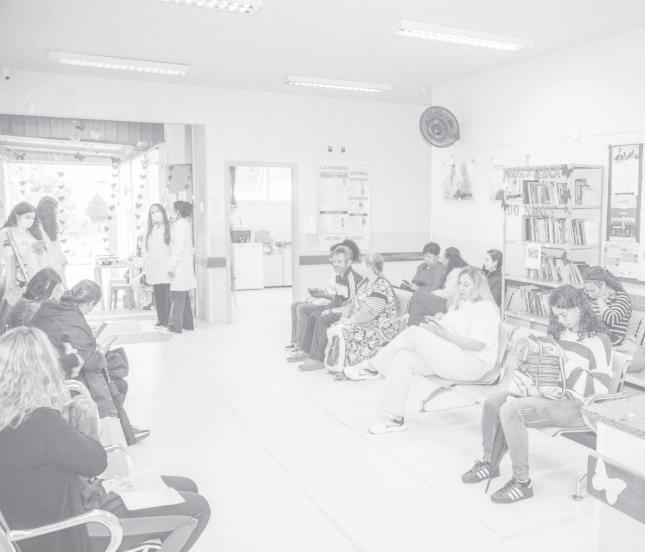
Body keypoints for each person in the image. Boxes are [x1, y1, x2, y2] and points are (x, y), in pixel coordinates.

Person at [0, 326, 211, 552]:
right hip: (78, 526)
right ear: (43, 370)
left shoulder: (12, 418)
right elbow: (96, 462)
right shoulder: (39, 420)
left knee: (185, 486)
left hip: (56, 514)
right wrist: (78, 418)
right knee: (198, 509)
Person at [461, 285, 612, 504]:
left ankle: (522, 482)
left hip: (577, 405)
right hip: (550, 393)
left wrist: (565, 362)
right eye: (556, 315)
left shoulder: (599, 340)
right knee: (493, 403)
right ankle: (489, 462)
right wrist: (531, 357)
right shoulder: (560, 333)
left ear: (579, 308)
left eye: (564, 314)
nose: (560, 320)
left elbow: (600, 389)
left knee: (511, 411)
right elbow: (550, 370)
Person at [346, 267, 500, 434]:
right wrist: (436, 323)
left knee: (413, 333)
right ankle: (394, 418)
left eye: (467, 285)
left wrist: (441, 334)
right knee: (404, 357)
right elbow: (451, 330)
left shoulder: (486, 308)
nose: (462, 288)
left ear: (478, 286)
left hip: (472, 364)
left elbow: (477, 345)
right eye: (460, 284)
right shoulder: (464, 304)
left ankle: (372, 367)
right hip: (454, 357)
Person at [31, 280, 149, 444]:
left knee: (115, 378)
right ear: (91, 303)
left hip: (44, 365)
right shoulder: (73, 321)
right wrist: (101, 351)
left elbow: (67, 339)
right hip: (59, 374)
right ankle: (113, 431)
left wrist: (88, 341)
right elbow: (90, 362)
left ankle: (122, 428)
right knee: (116, 379)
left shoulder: (56, 309)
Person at [288, 245, 362, 368]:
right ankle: (306, 351)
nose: (335, 264)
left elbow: (352, 304)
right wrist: (328, 309)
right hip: (340, 307)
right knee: (313, 315)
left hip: (350, 311)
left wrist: (331, 311)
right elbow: (338, 298)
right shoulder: (339, 276)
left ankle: (318, 359)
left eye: (339, 262)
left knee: (322, 319)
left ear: (348, 263)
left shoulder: (352, 278)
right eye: (334, 261)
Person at [328, 253, 399, 370]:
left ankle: (350, 367)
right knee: (337, 326)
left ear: (370, 267)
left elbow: (370, 312)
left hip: (378, 329)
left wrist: (350, 321)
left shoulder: (381, 286)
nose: (360, 267)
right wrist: (343, 317)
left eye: (362, 264)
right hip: (365, 323)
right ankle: (339, 365)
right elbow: (351, 302)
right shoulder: (364, 282)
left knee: (345, 330)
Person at [583, 266, 644, 372]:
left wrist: (599, 300)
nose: (589, 294)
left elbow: (610, 320)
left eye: (592, 290)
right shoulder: (590, 298)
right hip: (595, 343)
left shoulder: (621, 298)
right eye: (586, 290)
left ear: (603, 285)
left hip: (615, 347)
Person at [0, 202, 48, 309]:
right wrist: (30, 249)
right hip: (17, 279)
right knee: (17, 309)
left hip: (35, 278)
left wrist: (40, 252)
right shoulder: (6, 232)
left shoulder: (30, 233)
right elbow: (8, 255)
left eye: (33, 218)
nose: (31, 221)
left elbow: (40, 257)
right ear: (17, 216)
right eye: (27, 217)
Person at [407, 246, 468, 325]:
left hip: (448, 305)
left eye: (442, 258)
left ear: (448, 259)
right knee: (416, 307)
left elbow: (448, 293)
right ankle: (412, 329)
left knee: (418, 294)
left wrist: (434, 292)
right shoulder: (454, 270)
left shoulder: (456, 272)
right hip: (444, 301)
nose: (441, 261)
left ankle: (404, 317)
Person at [167, 201, 196, 334]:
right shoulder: (185, 224)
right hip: (185, 266)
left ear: (178, 211)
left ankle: (174, 326)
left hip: (180, 267)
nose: (171, 212)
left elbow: (177, 249)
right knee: (184, 295)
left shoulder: (179, 226)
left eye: (173, 209)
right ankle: (188, 324)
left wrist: (171, 267)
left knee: (177, 296)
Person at [144, 203, 172, 327]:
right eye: (152, 212)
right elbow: (146, 250)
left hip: (167, 267)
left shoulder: (170, 228)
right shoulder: (149, 231)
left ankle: (167, 320)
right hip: (154, 268)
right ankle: (160, 319)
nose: (155, 214)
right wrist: (147, 264)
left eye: (157, 211)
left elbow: (173, 249)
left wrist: (172, 265)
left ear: (163, 212)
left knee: (167, 296)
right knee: (158, 295)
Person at [37, 196, 68, 284]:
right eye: (56, 211)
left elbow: (55, 249)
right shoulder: (39, 228)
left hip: (55, 268)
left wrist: (62, 258)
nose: (57, 214)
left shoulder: (52, 228)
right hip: (49, 271)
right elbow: (44, 255)